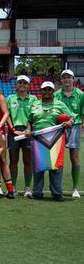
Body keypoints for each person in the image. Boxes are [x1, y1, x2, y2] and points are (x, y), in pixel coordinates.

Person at [27, 81, 74, 201]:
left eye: (49, 90)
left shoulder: (60, 104)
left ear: (53, 91)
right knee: (38, 167)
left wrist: (69, 122)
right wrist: (28, 129)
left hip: (55, 138)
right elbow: (29, 121)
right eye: (44, 89)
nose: (46, 92)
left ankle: (57, 193)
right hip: (38, 139)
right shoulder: (35, 104)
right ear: (41, 91)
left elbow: (72, 117)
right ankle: (37, 192)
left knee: (56, 167)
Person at [54, 69, 84, 198]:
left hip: (74, 127)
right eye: (64, 77)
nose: (67, 80)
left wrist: (80, 124)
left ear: (73, 79)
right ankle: (57, 187)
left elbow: (82, 113)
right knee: (57, 158)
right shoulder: (56, 94)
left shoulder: (81, 94)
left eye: (69, 77)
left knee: (74, 158)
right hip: (59, 128)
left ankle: (75, 188)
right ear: (61, 80)